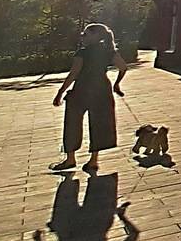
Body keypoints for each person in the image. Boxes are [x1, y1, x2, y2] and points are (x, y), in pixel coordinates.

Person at [50, 24, 127, 173]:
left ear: (95, 36)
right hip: (102, 90)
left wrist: (60, 92)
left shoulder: (82, 53)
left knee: (72, 123)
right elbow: (123, 67)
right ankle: (93, 161)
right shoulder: (109, 51)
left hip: (82, 89)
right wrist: (116, 84)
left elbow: (73, 74)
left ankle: (70, 159)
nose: (82, 37)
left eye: (85, 34)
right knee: (99, 125)